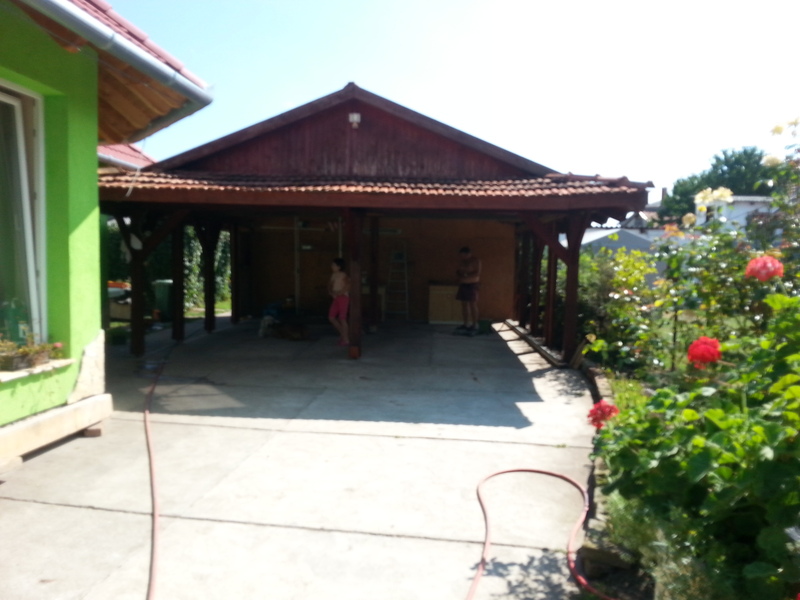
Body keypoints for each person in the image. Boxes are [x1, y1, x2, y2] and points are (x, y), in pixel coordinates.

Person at [455, 246, 481, 335]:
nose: (463, 257)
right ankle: (466, 323)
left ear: (468, 254)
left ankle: (475, 324)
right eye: (461, 255)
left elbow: (477, 272)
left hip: (472, 284)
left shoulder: (476, 261)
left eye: (464, 255)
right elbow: (458, 271)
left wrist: (466, 275)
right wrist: (460, 275)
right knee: (464, 304)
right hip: (463, 284)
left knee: (473, 304)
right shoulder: (462, 261)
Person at [328, 258, 350, 346]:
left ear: (339, 266)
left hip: (343, 297)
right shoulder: (333, 275)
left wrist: (340, 292)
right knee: (331, 317)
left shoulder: (343, 275)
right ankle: (344, 334)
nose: (332, 266)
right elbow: (330, 285)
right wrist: (331, 292)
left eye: (334, 265)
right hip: (336, 297)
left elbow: (348, 285)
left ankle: (346, 338)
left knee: (342, 318)